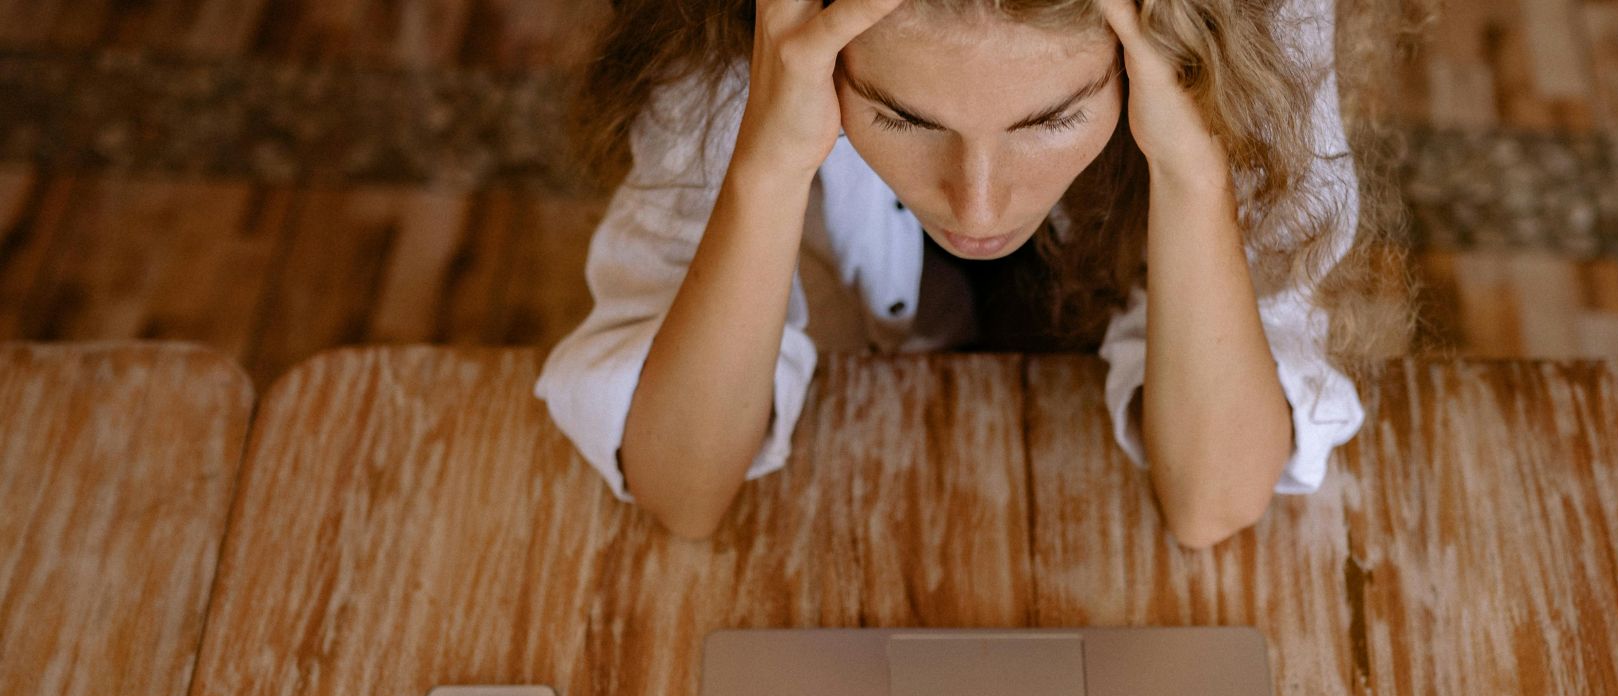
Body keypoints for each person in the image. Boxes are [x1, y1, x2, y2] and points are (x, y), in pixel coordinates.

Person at [538, 0, 1373, 547]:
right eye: (900, 116)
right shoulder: (741, 24)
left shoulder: (1253, 18)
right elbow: (682, 489)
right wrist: (765, 165)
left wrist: (1194, 170)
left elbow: (1213, 501)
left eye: (1053, 119)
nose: (978, 209)